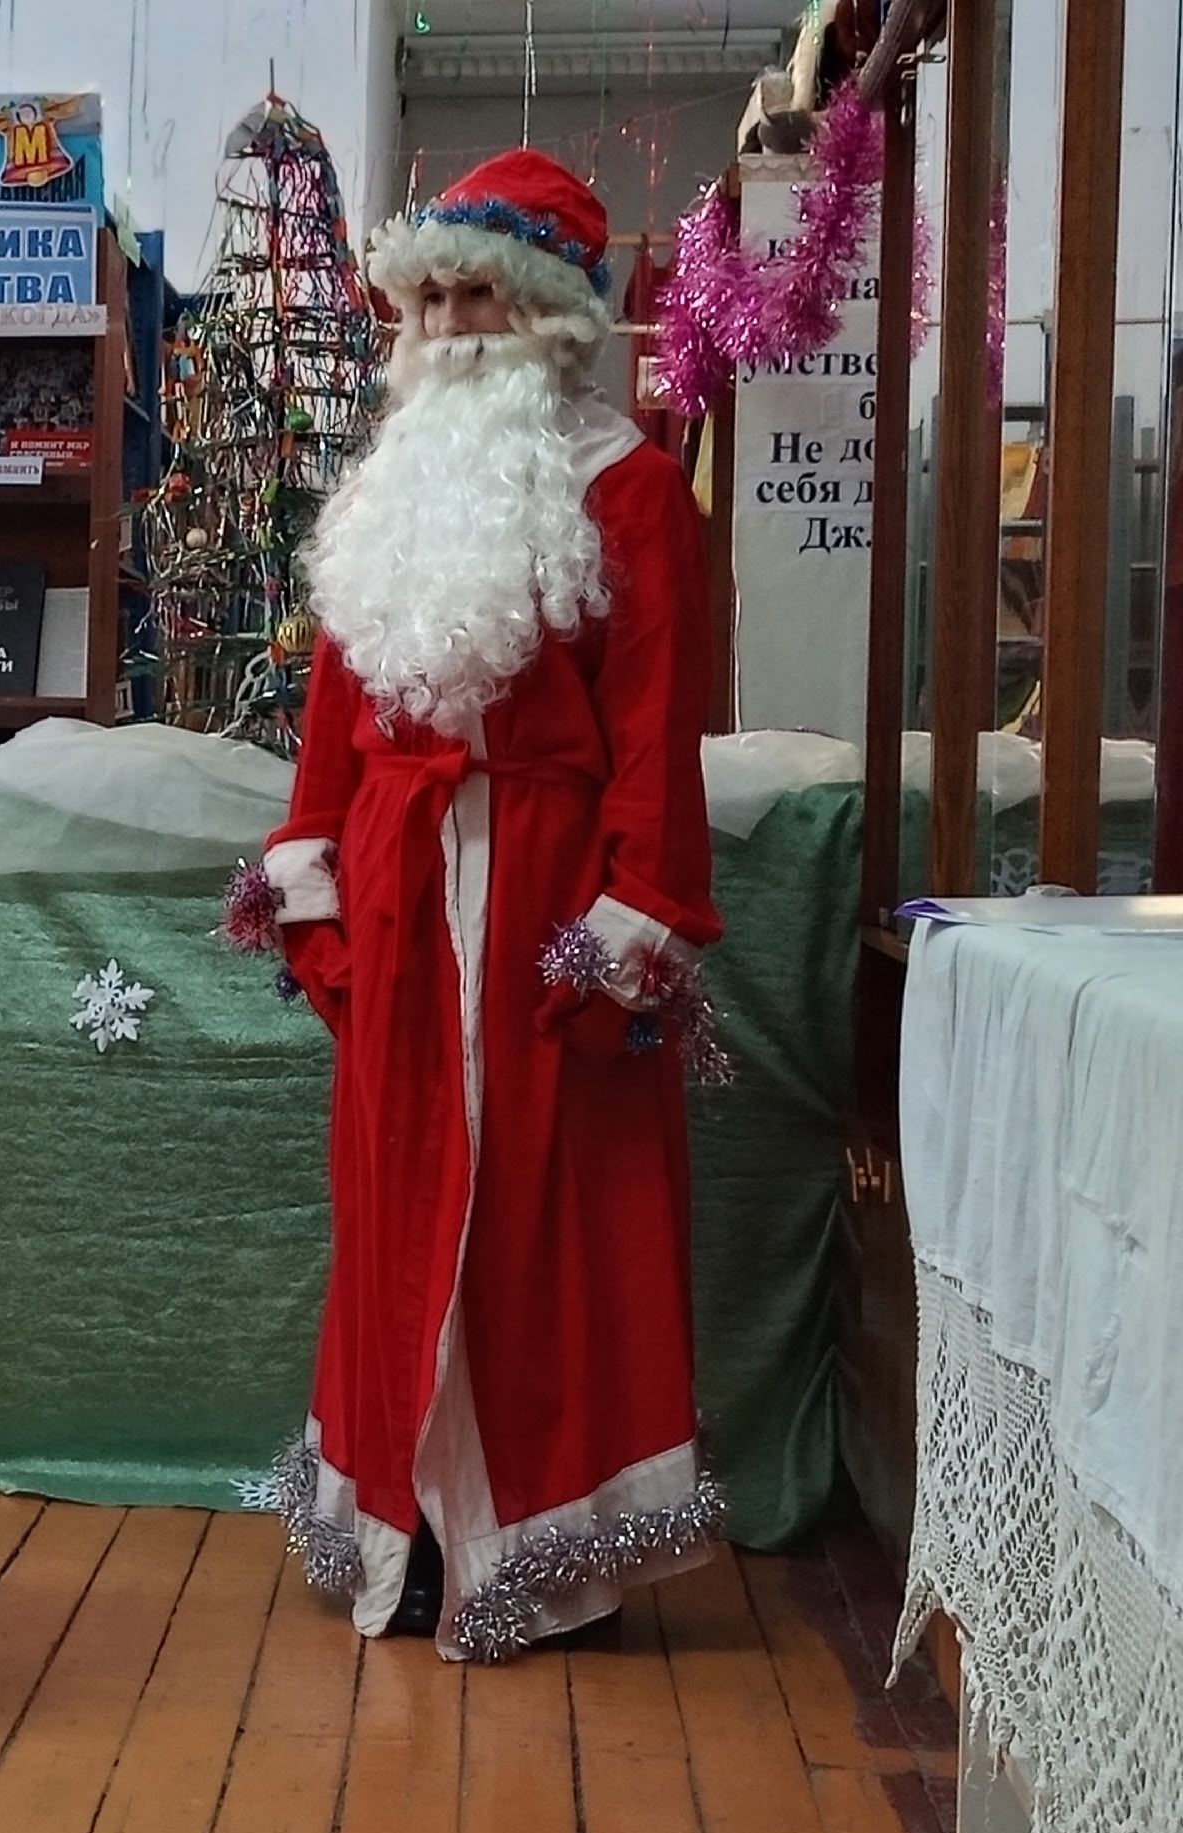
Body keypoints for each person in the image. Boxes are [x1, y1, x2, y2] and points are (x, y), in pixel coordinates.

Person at [247, 149, 727, 1662]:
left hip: (541, 901)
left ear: (550, 316)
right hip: (398, 898)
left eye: (479, 297)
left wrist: (629, 926)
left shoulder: (631, 490)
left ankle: (539, 1546)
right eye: (431, 298)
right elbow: (334, 724)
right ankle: (408, 1531)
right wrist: (311, 879)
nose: (448, 326)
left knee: (546, 1224)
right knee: (394, 1211)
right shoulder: (386, 492)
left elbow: (657, 735)